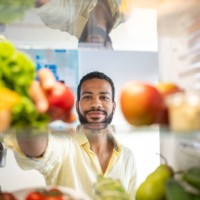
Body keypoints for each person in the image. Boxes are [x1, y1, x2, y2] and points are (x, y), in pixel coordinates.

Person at [4, 69, 137, 199]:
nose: (96, 104)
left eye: (104, 97)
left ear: (113, 106)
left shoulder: (127, 156)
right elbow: (35, 150)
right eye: (87, 97)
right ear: (77, 105)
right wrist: (34, 117)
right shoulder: (64, 145)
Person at [34, 0, 134, 48]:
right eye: (100, 54)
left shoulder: (64, 17)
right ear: (110, 48)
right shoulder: (124, 12)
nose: (94, 49)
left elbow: (47, 6)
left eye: (89, 53)